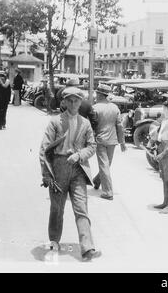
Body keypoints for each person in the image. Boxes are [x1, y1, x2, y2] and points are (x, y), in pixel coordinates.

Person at [39, 87, 101, 262]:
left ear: (81, 102)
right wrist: (46, 174)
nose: (73, 104)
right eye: (70, 101)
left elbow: (92, 146)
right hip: (58, 168)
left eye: (77, 101)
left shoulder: (85, 123)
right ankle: (54, 241)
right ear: (64, 102)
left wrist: (79, 155)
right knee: (57, 208)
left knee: (81, 207)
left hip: (79, 169)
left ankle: (87, 247)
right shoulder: (55, 122)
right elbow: (44, 149)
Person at [92, 84, 126, 200]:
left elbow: (91, 126)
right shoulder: (115, 108)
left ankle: (108, 192)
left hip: (100, 140)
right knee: (106, 165)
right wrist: (122, 142)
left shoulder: (95, 108)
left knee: (104, 165)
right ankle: (97, 181)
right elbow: (120, 126)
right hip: (112, 141)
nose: (96, 95)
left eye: (97, 93)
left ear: (101, 95)